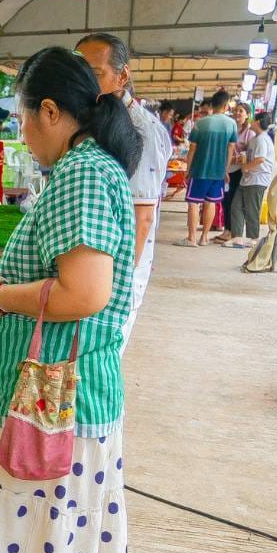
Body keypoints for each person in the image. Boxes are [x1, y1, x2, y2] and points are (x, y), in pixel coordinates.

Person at [0, 45, 141, 553]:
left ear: (50, 111)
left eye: (22, 119)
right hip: (62, 398)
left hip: (58, 402)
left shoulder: (82, 175)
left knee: (44, 529)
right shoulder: (86, 170)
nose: (21, 133)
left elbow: (84, 293)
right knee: (47, 528)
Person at [74, 32, 173, 338]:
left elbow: (141, 218)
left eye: (95, 75)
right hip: (92, 269)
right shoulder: (94, 121)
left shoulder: (140, 129)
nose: (85, 85)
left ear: (122, 76)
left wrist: (112, 290)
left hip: (115, 277)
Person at [181, 92, 237, 246]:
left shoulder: (201, 123)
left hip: (199, 170)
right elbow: (231, 148)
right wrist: (225, 169)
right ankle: (204, 237)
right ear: (226, 106)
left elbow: (192, 148)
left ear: (212, 105)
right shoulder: (231, 124)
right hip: (218, 172)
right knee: (210, 202)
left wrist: (187, 169)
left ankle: (191, 238)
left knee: (193, 202)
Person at [227, 110, 274, 249]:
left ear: (258, 122)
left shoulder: (262, 139)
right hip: (247, 179)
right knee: (236, 206)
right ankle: (236, 237)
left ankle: (253, 238)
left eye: (253, 120)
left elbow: (260, 159)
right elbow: (250, 154)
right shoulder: (255, 138)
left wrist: (246, 167)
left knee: (252, 209)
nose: (251, 122)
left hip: (257, 179)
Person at [215, 101, 251, 243]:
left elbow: (250, 153)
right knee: (224, 201)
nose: (237, 113)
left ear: (247, 115)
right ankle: (227, 230)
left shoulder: (250, 133)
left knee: (232, 202)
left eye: (241, 111)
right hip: (225, 169)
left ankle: (233, 232)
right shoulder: (230, 127)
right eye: (236, 110)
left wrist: (239, 158)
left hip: (237, 171)